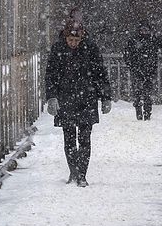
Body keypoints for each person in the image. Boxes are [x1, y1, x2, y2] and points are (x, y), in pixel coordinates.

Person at [45, 15, 112, 187]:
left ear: (82, 37)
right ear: (65, 37)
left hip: (86, 99)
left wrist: (105, 97)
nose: (73, 43)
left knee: (84, 138)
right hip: (66, 98)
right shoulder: (58, 49)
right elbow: (51, 75)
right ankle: (73, 171)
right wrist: (52, 97)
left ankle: (82, 174)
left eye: (76, 40)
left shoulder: (90, 49)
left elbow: (100, 74)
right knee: (68, 137)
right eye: (70, 39)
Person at [123, 22, 162, 121]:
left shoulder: (152, 40)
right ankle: (139, 113)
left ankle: (147, 114)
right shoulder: (135, 40)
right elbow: (127, 55)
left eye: (146, 30)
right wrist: (132, 66)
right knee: (138, 93)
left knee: (146, 94)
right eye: (142, 30)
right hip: (139, 71)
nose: (144, 32)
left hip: (149, 71)